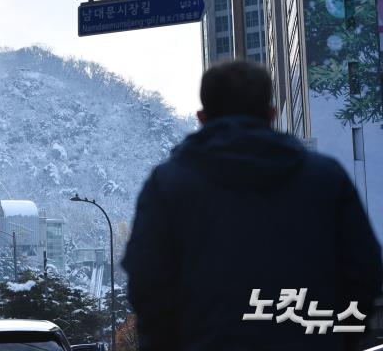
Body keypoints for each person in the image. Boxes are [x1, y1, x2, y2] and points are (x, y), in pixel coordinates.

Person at [122, 60, 382, 351]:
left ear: (202, 117)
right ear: (271, 114)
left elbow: (147, 282)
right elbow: (365, 270)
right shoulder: (325, 177)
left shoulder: (167, 184)